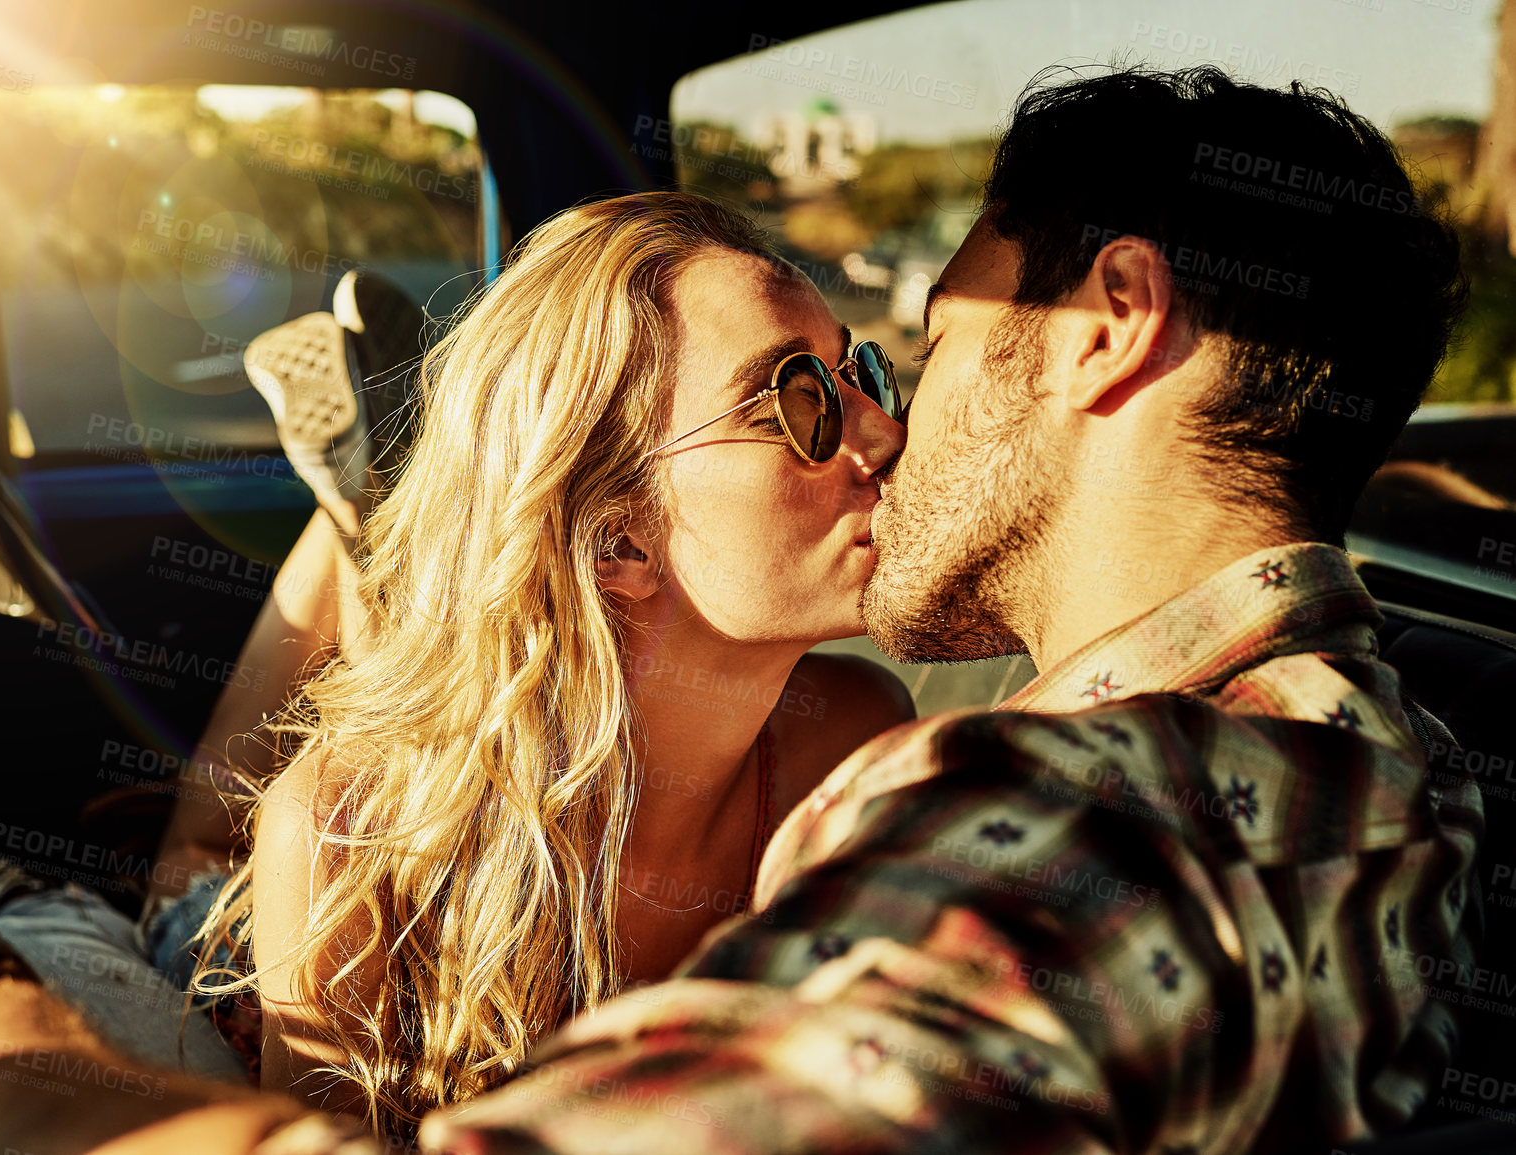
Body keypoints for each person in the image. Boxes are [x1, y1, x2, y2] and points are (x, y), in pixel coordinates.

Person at [418, 66, 1482, 1155]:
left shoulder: (1040, 819)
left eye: (930, 349)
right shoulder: (1409, 771)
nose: (891, 431)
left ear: (1110, 322)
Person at [184, 190, 916, 1136]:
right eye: (800, 401)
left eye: (861, 373)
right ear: (619, 538)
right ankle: (360, 530)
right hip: (250, 960)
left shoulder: (860, 739)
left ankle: (374, 526)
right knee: (195, 857)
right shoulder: (339, 836)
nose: (884, 434)